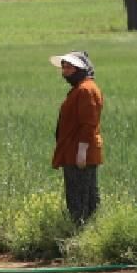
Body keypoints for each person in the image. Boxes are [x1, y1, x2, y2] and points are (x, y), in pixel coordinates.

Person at [50, 51, 103, 224]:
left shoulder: (85, 90)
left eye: (69, 68)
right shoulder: (81, 89)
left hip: (79, 153)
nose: (64, 72)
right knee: (86, 196)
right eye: (63, 67)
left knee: (79, 198)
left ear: (80, 69)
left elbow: (88, 123)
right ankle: (88, 229)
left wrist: (82, 151)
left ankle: (80, 230)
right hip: (74, 152)